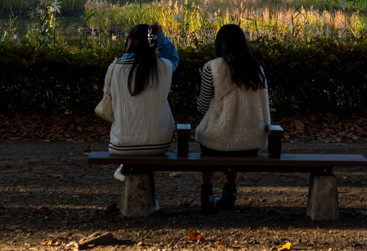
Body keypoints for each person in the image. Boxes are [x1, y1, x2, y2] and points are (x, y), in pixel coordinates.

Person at [195, 23, 271, 214]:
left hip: (216, 144)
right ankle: (230, 193)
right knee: (234, 137)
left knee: (211, 144)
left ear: (220, 44)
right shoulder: (256, 69)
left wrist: (202, 80)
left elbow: (201, 107)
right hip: (250, 143)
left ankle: (207, 194)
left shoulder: (211, 68)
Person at [105, 22, 179, 213]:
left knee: (136, 140)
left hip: (121, 143)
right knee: (147, 138)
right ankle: (149, 201)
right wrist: (160, 35)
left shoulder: (115, 68)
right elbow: (172, 56)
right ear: (152, 44)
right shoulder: (164, 66)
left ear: (130, 42)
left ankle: (126, 171)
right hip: (160, 142)